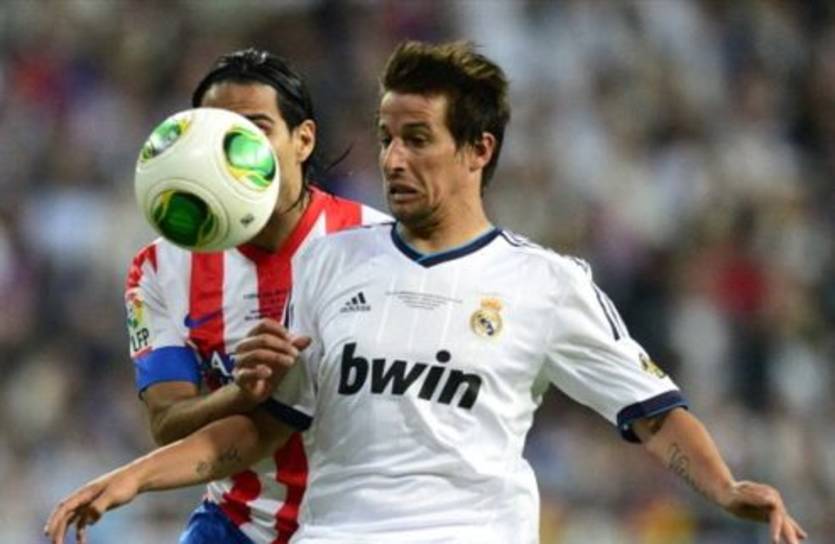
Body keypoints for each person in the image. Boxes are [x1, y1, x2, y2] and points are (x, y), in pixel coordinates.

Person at [47, 41, 806, 544]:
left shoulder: (545, 283)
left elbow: (651, 413)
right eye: (385, 139)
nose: (392, 160)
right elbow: (262, 430)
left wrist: (725, 488)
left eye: (416, 139)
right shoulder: (328, 264)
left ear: (478, 149)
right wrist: (130, 479)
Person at [123, 48, 388, 544]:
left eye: (255, 130)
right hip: (238, 524)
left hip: (364, 525)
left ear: (303, 140)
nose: (229, 154)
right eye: (215, 134)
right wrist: (241, 393)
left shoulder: (378, 246)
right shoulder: (160, 268)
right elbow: (167, 422)